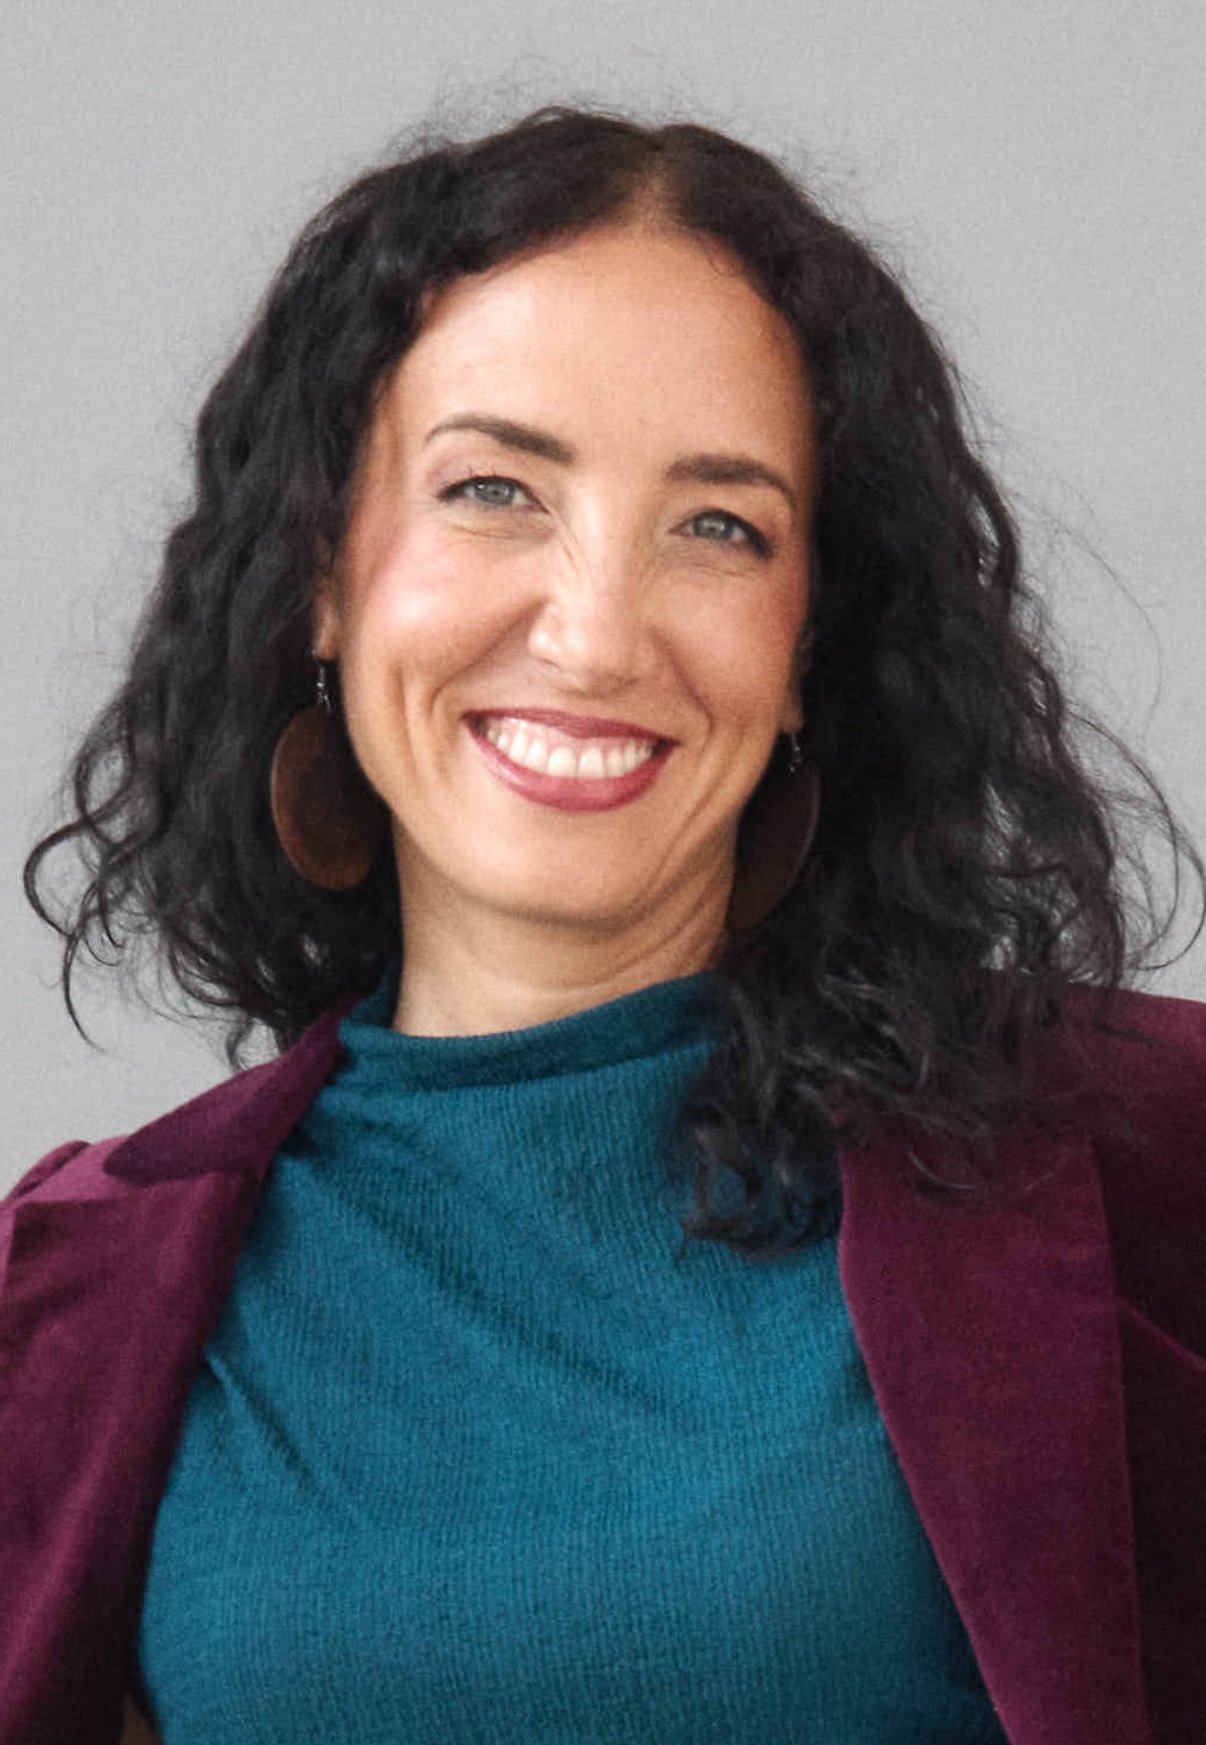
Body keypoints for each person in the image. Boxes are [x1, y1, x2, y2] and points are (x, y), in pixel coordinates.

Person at [3, 105, 1204, 1745]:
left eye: (719, 524)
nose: (592, 631)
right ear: (327, 576)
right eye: (494, 488)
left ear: (806, 644)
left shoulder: (1145, 1150)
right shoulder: (84, 1300)